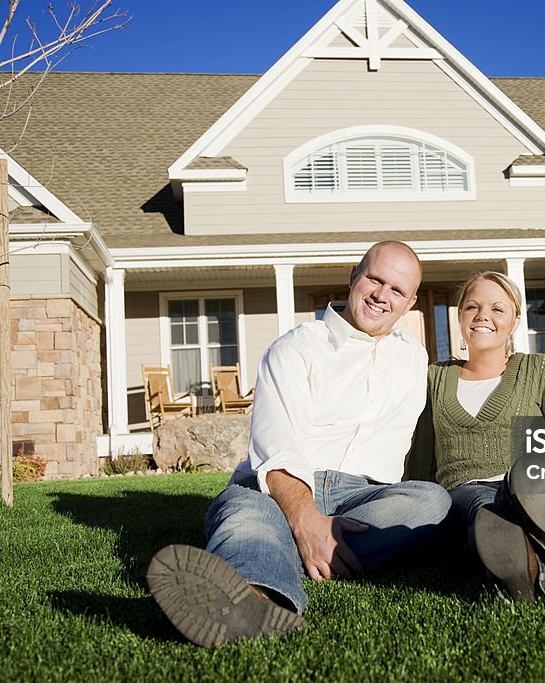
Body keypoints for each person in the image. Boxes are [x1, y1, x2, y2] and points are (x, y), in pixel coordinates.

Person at [147, 241, 451, 646]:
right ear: (353, 277)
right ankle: (252, 598)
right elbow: (278, 449)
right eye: (374, 279)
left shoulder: (414, 357)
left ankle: (285, 554)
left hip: (363, 496)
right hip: (275, 487)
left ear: (410, 302)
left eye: (397, 290)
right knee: (248, 519)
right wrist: (305, 518)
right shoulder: (295, 348)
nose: (382, 295)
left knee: (432, 502)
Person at [405, 271, 545, 602]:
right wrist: (416, 518)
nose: (483, 316)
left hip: (533, 484)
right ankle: (528, 565)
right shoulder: (435, 377)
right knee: (485, 510)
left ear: (513, 321)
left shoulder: (539, 369)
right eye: (472, 307)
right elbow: (424, 456)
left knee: (535, 485)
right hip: (468, 490)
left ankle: (539, 550)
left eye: (497, 309)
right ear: (460, 317)